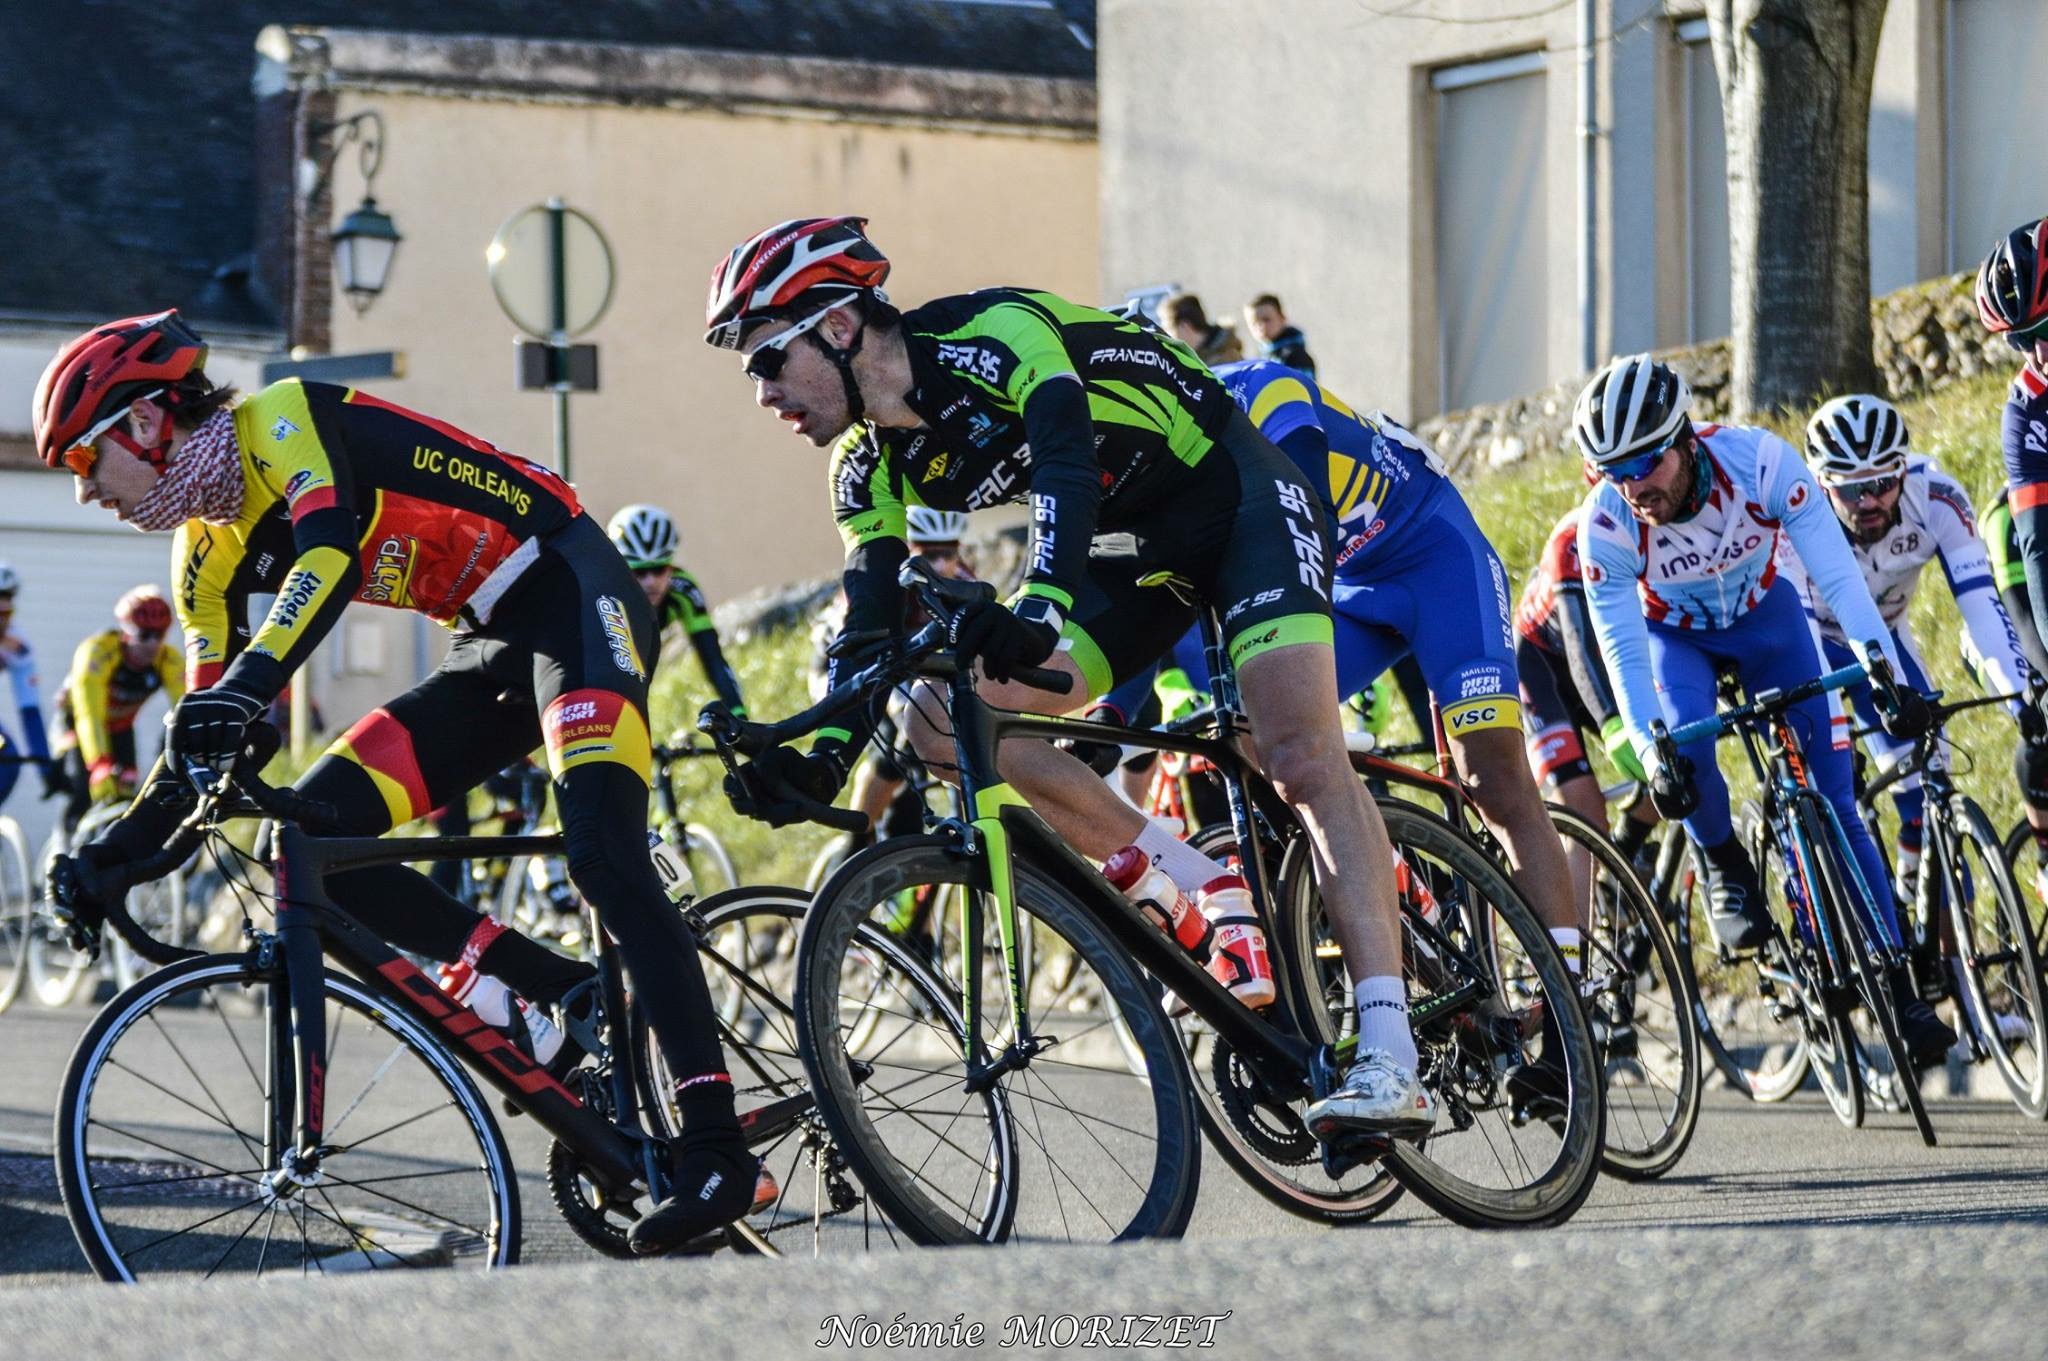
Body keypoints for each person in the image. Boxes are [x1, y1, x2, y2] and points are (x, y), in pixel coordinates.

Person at [35, 309, 755, 1253]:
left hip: (577, 590)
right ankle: (567, 990)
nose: (87, 494)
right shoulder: (202, 558)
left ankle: (715, 1148)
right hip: (487, 641)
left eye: (85, 463)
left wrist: (250, 688)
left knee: (602, 850)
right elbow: (204, 737)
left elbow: (327, 558)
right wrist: (116, 854)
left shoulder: (282, 419)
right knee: (320, 840)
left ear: (142, 424)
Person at [706, 216, 1432, 1136]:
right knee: (939, 720)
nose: (763, 392)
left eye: (767, 360)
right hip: (1130, 563)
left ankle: (1390, 1051)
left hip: (1232, 497)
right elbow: (869, 621)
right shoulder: (862, 466)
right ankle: (1187, 880)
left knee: (1296, 753)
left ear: (841, 327)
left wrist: (1038, 609)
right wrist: (822, 759)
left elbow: (1064, 469)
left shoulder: (993, 335)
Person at [1573, 355, 1955, 1066]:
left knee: (1837, 800)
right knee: (1684, 757)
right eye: (1612, 471)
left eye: (1645, 464)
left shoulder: (1760, 463)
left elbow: (1838, 577)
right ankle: (1724, 862)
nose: (1633, 487)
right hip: (1675, 640)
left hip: (1768, 618)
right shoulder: (1606, 526)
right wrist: (1656, 758)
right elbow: (1624, 653)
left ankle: (1903, 991)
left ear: (1684, 440)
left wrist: (1881, 670)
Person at [1792, 395, 2048, 951]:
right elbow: (1795, 638)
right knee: (1827, 781)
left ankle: (1941, 956)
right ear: (1820, 483)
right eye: (1850, 488)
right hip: (1814, 647)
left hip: (1887, 639)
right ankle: (1828, 931)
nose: (1869, 501)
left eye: (1883, 482)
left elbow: (1982, 607)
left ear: (1903, 467)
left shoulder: (1935, 496)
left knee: (1933, 786)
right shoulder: (1797, 515)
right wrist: (1832, 726)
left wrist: (2018, 697)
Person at [1513, 510, 1659, 877]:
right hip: (1541, 667)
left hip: (1609, 663)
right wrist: (1613, 725)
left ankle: (1622, 860)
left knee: (1674, 773)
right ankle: (1574, 935)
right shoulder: (1572, 541)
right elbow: (1579, 647)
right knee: (1585, 816)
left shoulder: (1663, 528)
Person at [1974, 217, 2048, 677]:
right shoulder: (2027, 410)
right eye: (2022, 339)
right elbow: (2041, 548)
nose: (2040, 355)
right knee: (2007, 530)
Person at [51, 586, 182, 834]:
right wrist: (100, 764)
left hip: (120, 727)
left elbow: (186, 709)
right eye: (144, 635)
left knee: (126, 796)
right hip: (77, 725)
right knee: (82, 791)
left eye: (160, 635)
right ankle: (64, 850)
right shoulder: (97, 652)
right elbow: (89, 715)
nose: (152, 644)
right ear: (127, 632)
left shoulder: (169, 660)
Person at [607, 504, 746, 717]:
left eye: (659, 569)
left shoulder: (683, 589)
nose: (651, 581)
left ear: (671, 565)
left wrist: (740, 716)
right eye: (639, 572)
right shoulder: (606, 596)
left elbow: (713, 659)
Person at [1978, 485, 2048, 901]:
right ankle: (2044, 852)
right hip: (2006, 636)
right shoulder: (2006, 517)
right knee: (2035, 711)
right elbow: (2022, 620)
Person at [0, 564, 58, 810]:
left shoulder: (18, 647)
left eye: (8, 597)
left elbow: (29, 710)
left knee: (8, 758)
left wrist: (46, 767)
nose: (3, 606)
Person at [1158, 292, 1243, 366]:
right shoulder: (1197, 358)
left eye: (1168, 328)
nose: (1166, 335)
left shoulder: (1224, 359)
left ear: (1184, 326)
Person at [1242, 293, 1315, 375]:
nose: (1261, 326)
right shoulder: (1261, 357)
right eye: (1254, 323)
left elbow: (1302, 386)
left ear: (1282, 318)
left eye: (1266, 320)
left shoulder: (1295, 356)